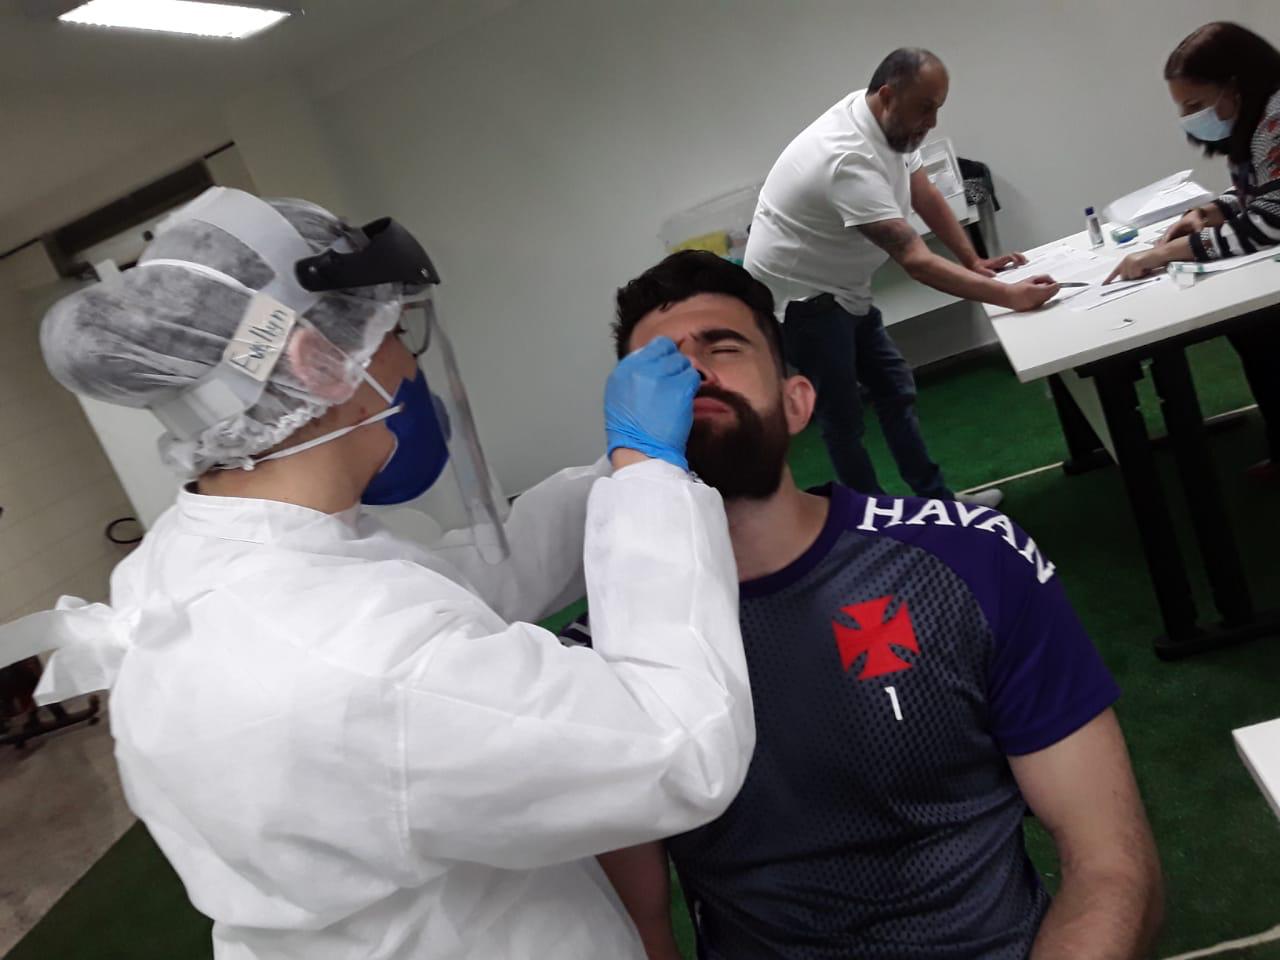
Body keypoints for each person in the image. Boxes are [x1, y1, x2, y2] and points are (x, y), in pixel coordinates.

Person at [0, 188, 756, 959]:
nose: (408, 359)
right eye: (392, 332)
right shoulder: (348, 661)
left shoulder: (223, 553)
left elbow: (463, 588)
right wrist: (648, 474)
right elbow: (679, 746)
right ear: (318, 362)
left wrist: (627, 468)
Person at [570, 251, 1163, 960]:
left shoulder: (971, 558)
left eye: (722, 348)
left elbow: (1110, 863)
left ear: (797, 402)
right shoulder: (602, 655)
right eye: (658, 367)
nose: (691, 373)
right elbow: (644, 930)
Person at [745, 47, 1060, 509]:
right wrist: (1008, 295)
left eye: (938, 108)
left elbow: (923, 190)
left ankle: (939, 504)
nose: (931, 122)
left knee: (895, 389)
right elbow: (915, 258)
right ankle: (876, 527)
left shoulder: (886, 125)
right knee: (843, 419)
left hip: (844, 287)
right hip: (801, 300)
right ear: (888, 96)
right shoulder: (846, 158)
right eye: (925, 108)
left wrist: (972, 261)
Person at [1107, 21, 1280, 482]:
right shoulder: (1257, 121)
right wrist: (1210, 211)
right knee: (1255, 334)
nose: (1188, 117)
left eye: (1194, 105)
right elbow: (1258, 193)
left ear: (1234, 87)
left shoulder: (1276, 121)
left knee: (1262, 331)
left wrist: (1167, 254)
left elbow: (1268, 223)